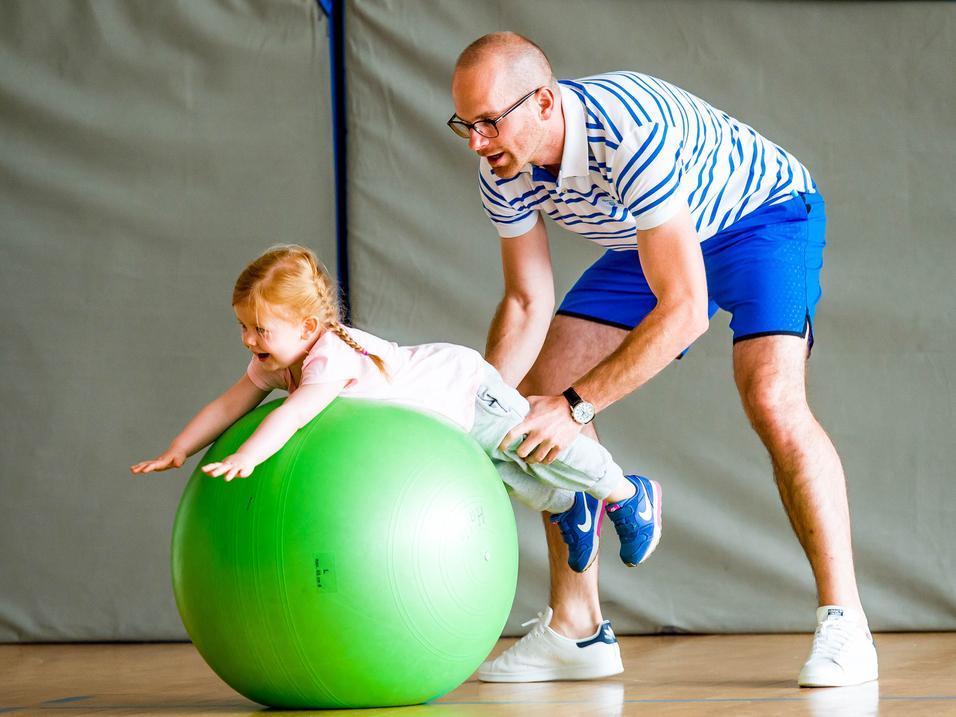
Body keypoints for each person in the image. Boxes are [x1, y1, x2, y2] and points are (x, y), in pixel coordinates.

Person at [448, 32, 877, 687]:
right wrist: (476, 409)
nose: (476, 142)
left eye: (487, 124)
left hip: (762, 217)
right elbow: (526, 301)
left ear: (542, 102)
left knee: (771, 397)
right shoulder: (504, 166)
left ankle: (846, 618)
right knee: (536, 385)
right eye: (464, 126)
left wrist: (574, 407)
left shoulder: (627, 131)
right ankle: (576, 628)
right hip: (657, 235)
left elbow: (683, 306)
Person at [130, 244, 662, 579]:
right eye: (242, 326)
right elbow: (230, 402)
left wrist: (248, 455)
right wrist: (179, 449)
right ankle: (572, 506)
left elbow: (294, 415)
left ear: (308, 326)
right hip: (440, 431)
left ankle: (626, 494)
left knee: (532, 446)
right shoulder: (276, 360)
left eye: (260, 329)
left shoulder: (326, 359)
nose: (249, 340)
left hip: (464, 391)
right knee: (510, 479)